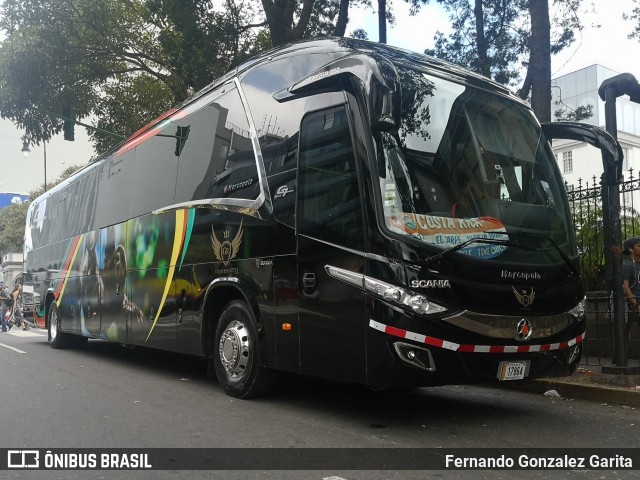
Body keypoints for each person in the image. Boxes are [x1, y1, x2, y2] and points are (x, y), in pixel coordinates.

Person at [622, 237, 640, 335]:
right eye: (639, 246)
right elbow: (625, 287)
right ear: (630, 249)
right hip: (631, 305)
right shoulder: (627, 265)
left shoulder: (638, 264)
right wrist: (636, 306)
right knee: (626, 331)